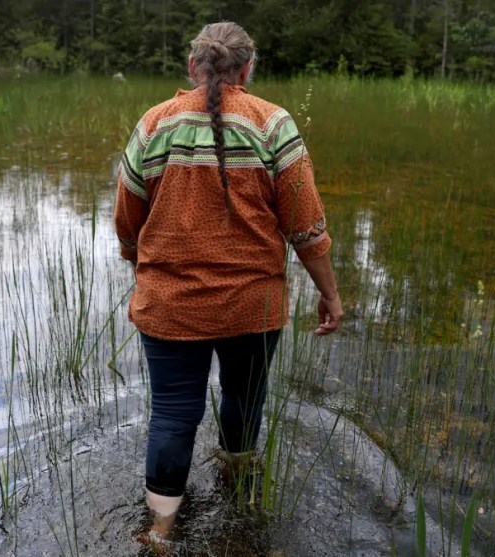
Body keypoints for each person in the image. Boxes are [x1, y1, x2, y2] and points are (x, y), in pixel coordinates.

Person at [113, 21, 343, 548]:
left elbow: (128, 221)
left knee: (173, 414)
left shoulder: (154, 125)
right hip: (252, 307)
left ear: (194, 67)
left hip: (170, 307)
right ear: (246, 70)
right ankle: (238, 498)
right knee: (244, 400)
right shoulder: (272, 124)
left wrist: (141, 266)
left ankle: (161, 529)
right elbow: (306, 226)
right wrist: (329, 294)